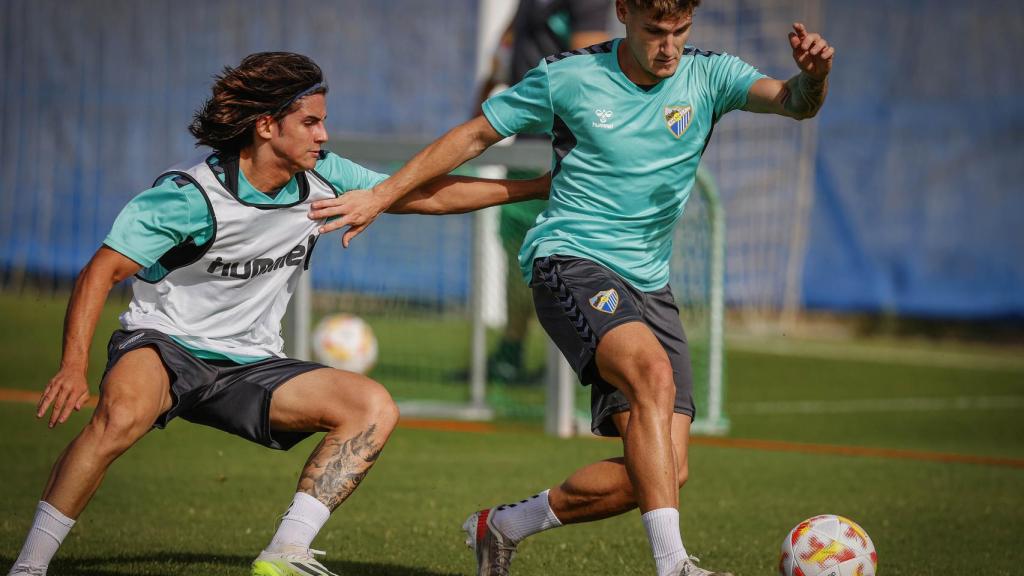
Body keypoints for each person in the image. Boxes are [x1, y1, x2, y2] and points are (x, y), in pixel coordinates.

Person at [310, 0, 834, 574]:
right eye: (655, 31)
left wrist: (814, 77)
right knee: (651, 376)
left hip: (649, 287)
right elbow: (473, 137)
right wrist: (381, 196)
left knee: (662, 472)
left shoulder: (711, 74)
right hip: (571, 261)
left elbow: (793, 104)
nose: (669, 46)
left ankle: (502, 526)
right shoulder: (569, 77)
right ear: (624, 14)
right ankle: (674, 565)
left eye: (680, 31)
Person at [6, 52, 550, 576]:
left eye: (324, 123)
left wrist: (536, 187)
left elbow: (423, 195)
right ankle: (30, 565)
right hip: (165, 344)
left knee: (372, 406)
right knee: (118, 419)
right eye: (311, 123)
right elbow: (99, 272)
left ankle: (285, 552)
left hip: (251, 364)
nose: (324, 136)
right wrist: (73, 366)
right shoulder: (189, 197)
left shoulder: (325, 178)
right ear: (266, 126)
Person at [479, 0, 611, 384]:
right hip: (525, 138)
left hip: (560, 142)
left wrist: (571, 144)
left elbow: (588, 67)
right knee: (517, 250)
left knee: (570, 253)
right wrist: (485, 100)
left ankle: (580, 361)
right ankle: (511, 351)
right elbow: (506, 46)